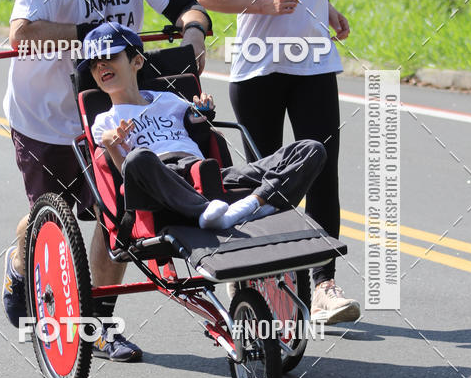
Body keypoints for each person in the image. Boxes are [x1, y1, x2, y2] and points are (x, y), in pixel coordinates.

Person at [2, 0, 211, 361]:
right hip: (46, 117)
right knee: (48, 216)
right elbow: (21, 34)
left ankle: (99, 324)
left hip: (110, 115)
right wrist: (93, 36)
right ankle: (19, 261)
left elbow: (186, 2)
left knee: (114, 219)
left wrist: (194, 30)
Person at [198, 0, 360, 325]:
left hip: (312, 63)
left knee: (323, 170)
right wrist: (264, 5)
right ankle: (259, 281)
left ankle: (324, 286)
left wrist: (326, 9)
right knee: (269, 182)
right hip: (259, 68)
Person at [81, 23, 326, 231]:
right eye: (93, 64)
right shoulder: (105, 121)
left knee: (311, 149)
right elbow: (126, 170)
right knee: (137, 158)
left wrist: (202, 113)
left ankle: (254, 202)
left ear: (137, 61)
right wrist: (113, 144)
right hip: (162, 182)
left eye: (109, 57)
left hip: (205, 174)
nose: (100, 66)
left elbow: (197, 127)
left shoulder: (167, 100)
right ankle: (207, 211)